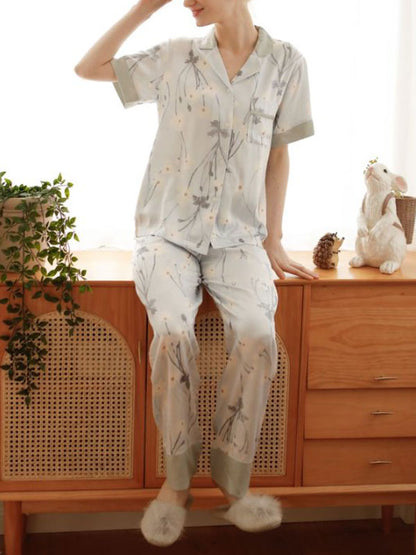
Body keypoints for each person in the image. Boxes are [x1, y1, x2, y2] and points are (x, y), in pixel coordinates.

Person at [75, 0, 319, 546]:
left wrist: (274, 239)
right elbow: (88, 68)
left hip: (240, 238)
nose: (186, 1)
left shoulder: (286, 63)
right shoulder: (176, 56)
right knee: (172, 333)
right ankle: (178, 480)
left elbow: (279, 154)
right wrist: (145, 8)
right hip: (167, 234)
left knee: (258, 336)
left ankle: (234, 480)